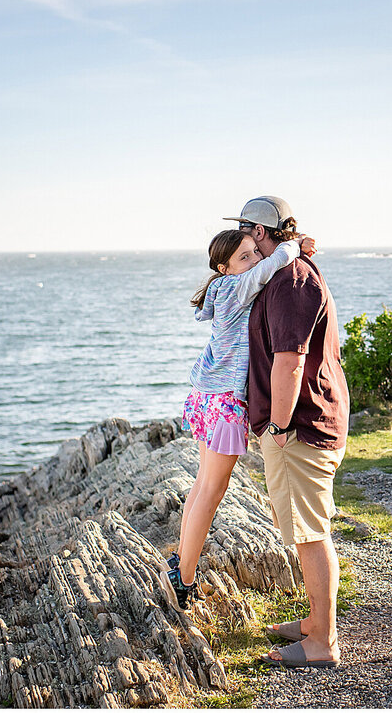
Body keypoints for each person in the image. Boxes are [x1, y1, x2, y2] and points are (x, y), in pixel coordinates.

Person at [162, 227, 315, 609]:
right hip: (225, 401)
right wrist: (294, 247)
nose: (254, 261)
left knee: (202, 484)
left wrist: (286, 251)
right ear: (224, 267)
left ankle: (180, 562)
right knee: (212, 490)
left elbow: (266, 268)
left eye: (254, 253)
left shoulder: (224, 288)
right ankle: (183, 579)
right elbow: (273, 265)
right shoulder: (235, 288)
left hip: (206, 395)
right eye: (244, 257)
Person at [227, 196, 349, 670]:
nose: (241, 235)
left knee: (311, 534)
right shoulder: (287, 272)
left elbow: (290, 360)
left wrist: (277, 425)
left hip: (298, 427)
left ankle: (322, 641)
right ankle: (316, 623)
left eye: (243, 228)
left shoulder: (290, 281)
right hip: (306, 423)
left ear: (260, 231)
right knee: (305, 531)